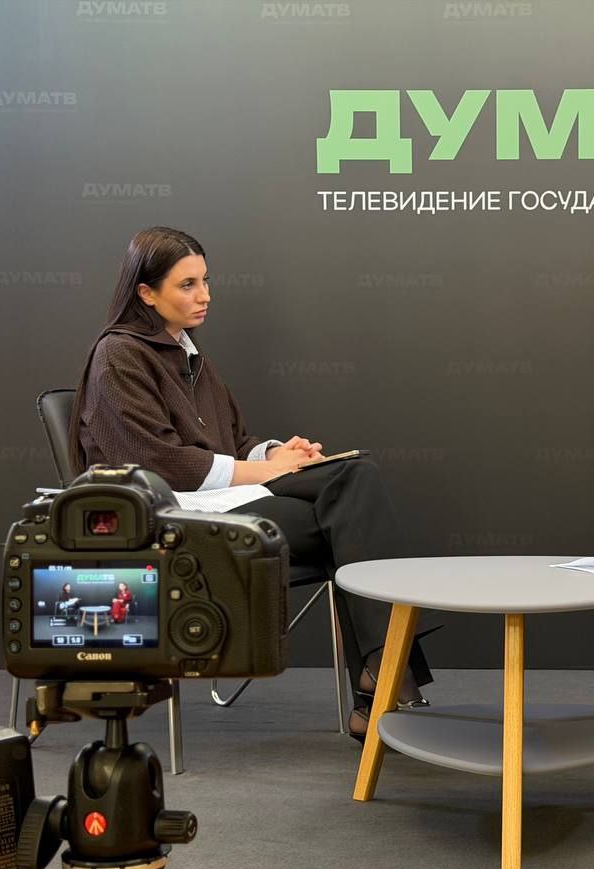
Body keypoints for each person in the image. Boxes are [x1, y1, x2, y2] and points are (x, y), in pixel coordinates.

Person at [68, 226, 433, 738]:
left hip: (225, 502)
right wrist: (266, 470)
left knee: (354, 474)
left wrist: (275, 454)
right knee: (348, 515)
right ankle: (385, 675)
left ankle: (383, 673)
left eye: (205, 280)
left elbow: (235, 443)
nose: (205, 295)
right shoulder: (119, 356)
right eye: (187, 284)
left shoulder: (188, 354)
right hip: (169, 521)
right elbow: (157, 462)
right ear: (146, 293)